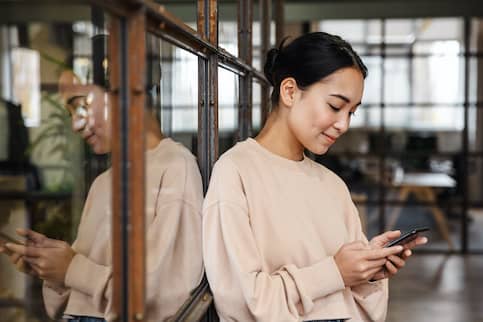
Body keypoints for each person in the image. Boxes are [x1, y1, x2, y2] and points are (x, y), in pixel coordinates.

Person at [202, 32, 427, 322]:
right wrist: (335, 272)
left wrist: (366, 274)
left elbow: (359, 309)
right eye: (335, 106)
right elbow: (242, 304)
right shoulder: (235, 172)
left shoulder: (333, 186)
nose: (343, 124)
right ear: (290, 92)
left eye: (352, 112)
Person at [0, 70, 204, 322]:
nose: (76, 124)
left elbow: (169, 293)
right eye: (71, 113)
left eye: (82, 106)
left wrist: (71, 268)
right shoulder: (102, 182)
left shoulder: (175, 166)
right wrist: (51, 269)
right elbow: (75, 291)